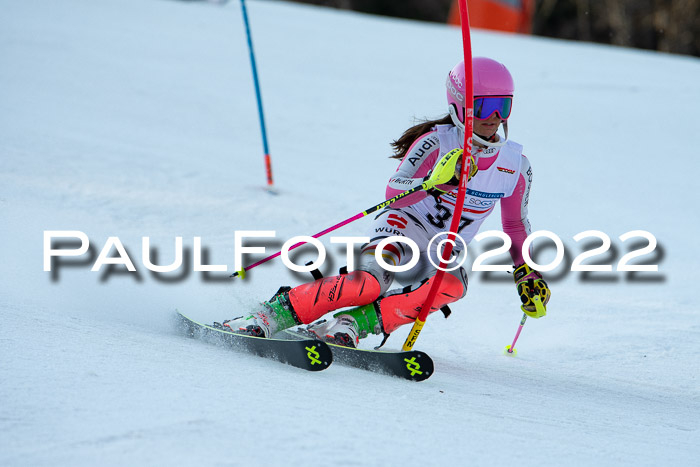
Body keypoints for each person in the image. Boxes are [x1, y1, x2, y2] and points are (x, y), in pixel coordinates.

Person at [221, 57, 551, 347]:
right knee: (366, 285)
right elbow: (394, 191)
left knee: (452, 285)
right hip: (403, 228)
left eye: (502, 107)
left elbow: (515, 226)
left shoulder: (515, 166)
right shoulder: (437, 141)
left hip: (443, 248)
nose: (493, 118)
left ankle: (352, 325)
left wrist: (527, 273)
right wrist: (433, 183)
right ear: (459, 105)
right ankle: (272, 314)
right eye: (482, 106)